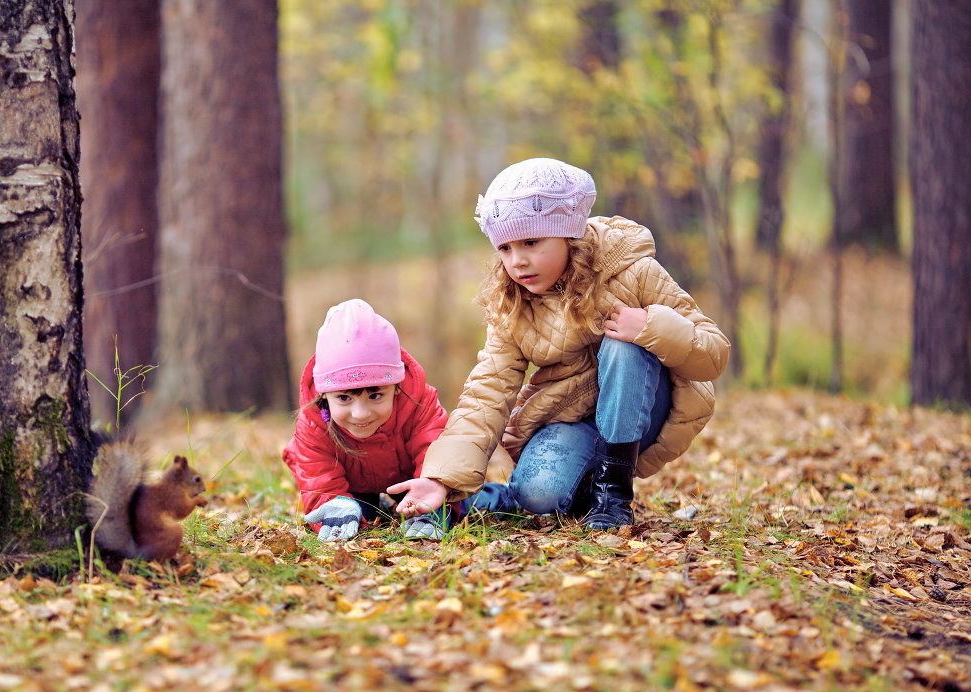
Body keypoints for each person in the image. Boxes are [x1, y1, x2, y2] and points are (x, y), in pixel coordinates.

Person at [389, 157, 731, 530]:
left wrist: (652, 327)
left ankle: (613, 496)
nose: (517, 261)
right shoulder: (512, 302)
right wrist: (442, 478)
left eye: (532, 242)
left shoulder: (633, 271)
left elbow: (713, 355)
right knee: (539, 495)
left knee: (624, 344)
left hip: (645, 407)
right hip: (573, 418)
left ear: (568, 233)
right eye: (504, 248)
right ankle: (575, 488)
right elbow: (487, 392)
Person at [283, 298, 457, 542]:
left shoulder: (419, 404)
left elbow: (435, 452)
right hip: (352, 486)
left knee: (466, 500)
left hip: (410, 479)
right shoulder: (313, 422)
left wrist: (432, 491)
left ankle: (502, 495)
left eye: (375, 395)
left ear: (396, 387)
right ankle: (360, 505)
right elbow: (317, 477)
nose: (360, 413)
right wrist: (333, 503)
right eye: (344, 398)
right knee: (356, 511)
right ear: (324, 394)